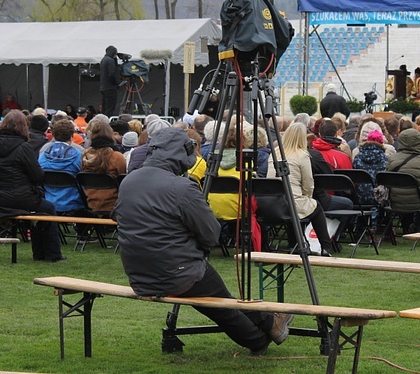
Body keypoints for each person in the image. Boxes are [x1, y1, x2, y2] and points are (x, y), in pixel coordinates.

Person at [114, 127, 292, 355]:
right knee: (222, 304)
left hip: (139, 274)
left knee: (218, 297)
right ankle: (261, 335)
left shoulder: (129, 181)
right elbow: (211, 233)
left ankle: (269, 323)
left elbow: (122, 218)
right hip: (176, 271)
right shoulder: (181, 187)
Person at [0, 109, 65, 262]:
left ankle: (40, 253)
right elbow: (37, 175)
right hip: (21, 197)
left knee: (41, 209)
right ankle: (51, 253)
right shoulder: (24, 147)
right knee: (48, 209)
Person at [267, 123, 335, 256]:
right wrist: (307, 196)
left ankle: (295, 243)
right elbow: (308, 183)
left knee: (299, 205)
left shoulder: (275, 154)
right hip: (292, 201)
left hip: (274, 202)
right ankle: (326, 247)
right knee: (315, 207)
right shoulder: (302, 155)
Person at [39, 120, 86, 215]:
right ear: (72, 136)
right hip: (74, 203)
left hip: (48, 202)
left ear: (53, 135)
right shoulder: (79, 156)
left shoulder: (42, 156)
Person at [80, 119, 126, 214]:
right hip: (113, 204)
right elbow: (122, 179)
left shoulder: (85, 155)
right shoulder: (116, 156)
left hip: (90, 202)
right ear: (110, 135)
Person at [99, 45, 120, 117]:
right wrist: (117, 83)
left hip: (103, 87)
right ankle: (108, 121)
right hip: (110, 87)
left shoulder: (103, 60)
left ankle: (103, 119)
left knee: (105, 106)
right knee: (110, 107)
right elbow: (112, 74)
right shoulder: (110, 61)